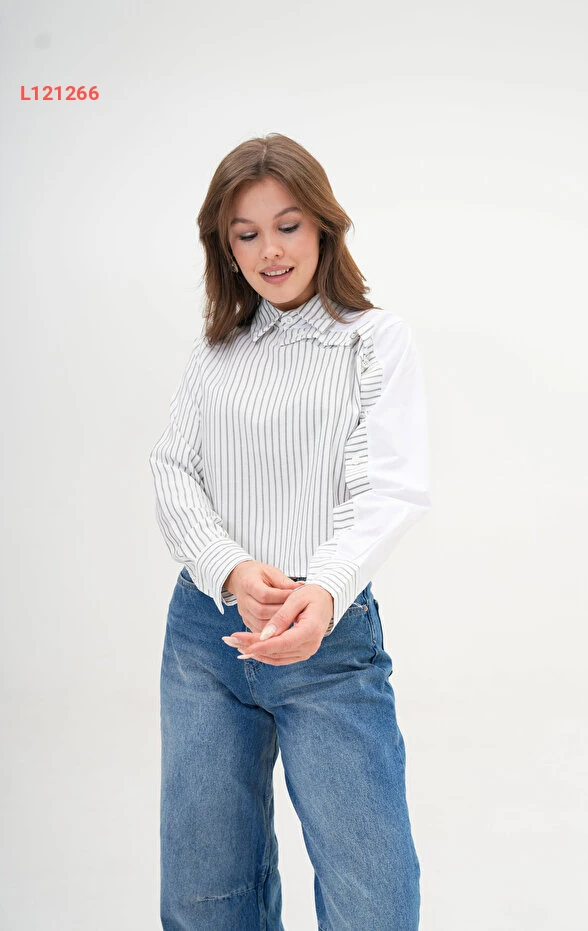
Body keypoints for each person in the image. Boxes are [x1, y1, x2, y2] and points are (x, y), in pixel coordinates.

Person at [148, 132, 431, 931]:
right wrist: (232, 568)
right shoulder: (216, 351)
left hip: (326, 636)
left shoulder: (372, 340)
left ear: (323, 226)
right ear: (225, 248)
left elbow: (389, 487)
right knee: (205, 889)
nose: (269, 250)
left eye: (288, 225)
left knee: (372, 895)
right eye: (246, 234)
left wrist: (324, 587)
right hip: (207, 631)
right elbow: (171, 468)